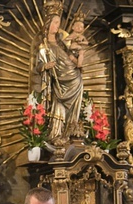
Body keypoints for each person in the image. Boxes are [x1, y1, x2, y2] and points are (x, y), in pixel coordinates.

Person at [35, 9, 85, 143]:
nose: (58, 26)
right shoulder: (44, 45)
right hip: (58, 81)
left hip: (73, 76)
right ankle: (57, 134)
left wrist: (78, 64)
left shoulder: (62, 42)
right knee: (59, 103)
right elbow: (38, 66)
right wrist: (45, 66)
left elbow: (70, 56)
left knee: (75, 104)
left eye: (59, 23)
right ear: (48, 25)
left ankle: (72, 131)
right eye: (55, 22)